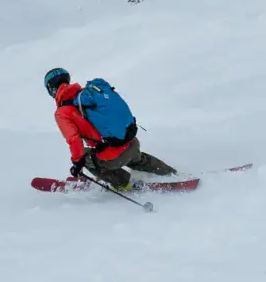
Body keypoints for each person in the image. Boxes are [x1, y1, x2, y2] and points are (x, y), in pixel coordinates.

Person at [44, 67, 177, 190]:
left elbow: (74, 140)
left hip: (115, 156)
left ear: (51, 90)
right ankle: (171, 173)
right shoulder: (89, 95)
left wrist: (77, 164)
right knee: (137, 159)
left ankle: (123, 183)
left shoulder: (62, 112)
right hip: (130, 141)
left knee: (84, 156)